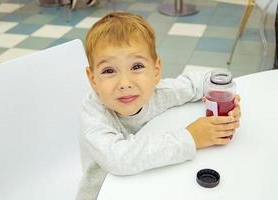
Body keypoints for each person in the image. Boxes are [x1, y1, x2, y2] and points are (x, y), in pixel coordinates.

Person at [76, 12, 241, 200]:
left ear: (156, 70)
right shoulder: (94, 112)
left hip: (150, 184)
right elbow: (118, 158)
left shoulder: (158, 93)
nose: (125, 83)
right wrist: (192, 137)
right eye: (109, 70)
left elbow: (203, 80)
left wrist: (224, 100)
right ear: (92, 79)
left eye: (137, 67)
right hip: (102, 193)